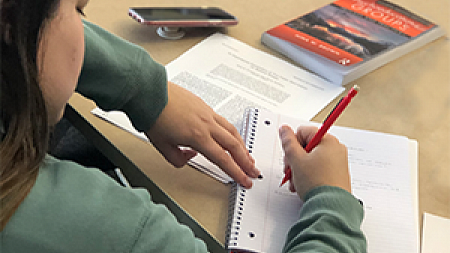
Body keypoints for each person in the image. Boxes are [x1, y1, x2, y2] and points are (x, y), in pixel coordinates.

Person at [0, 0, 366, 252]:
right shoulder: (118, 231)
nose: (82, 27)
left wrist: (141, 86)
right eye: (78, 10)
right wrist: (331, 205)